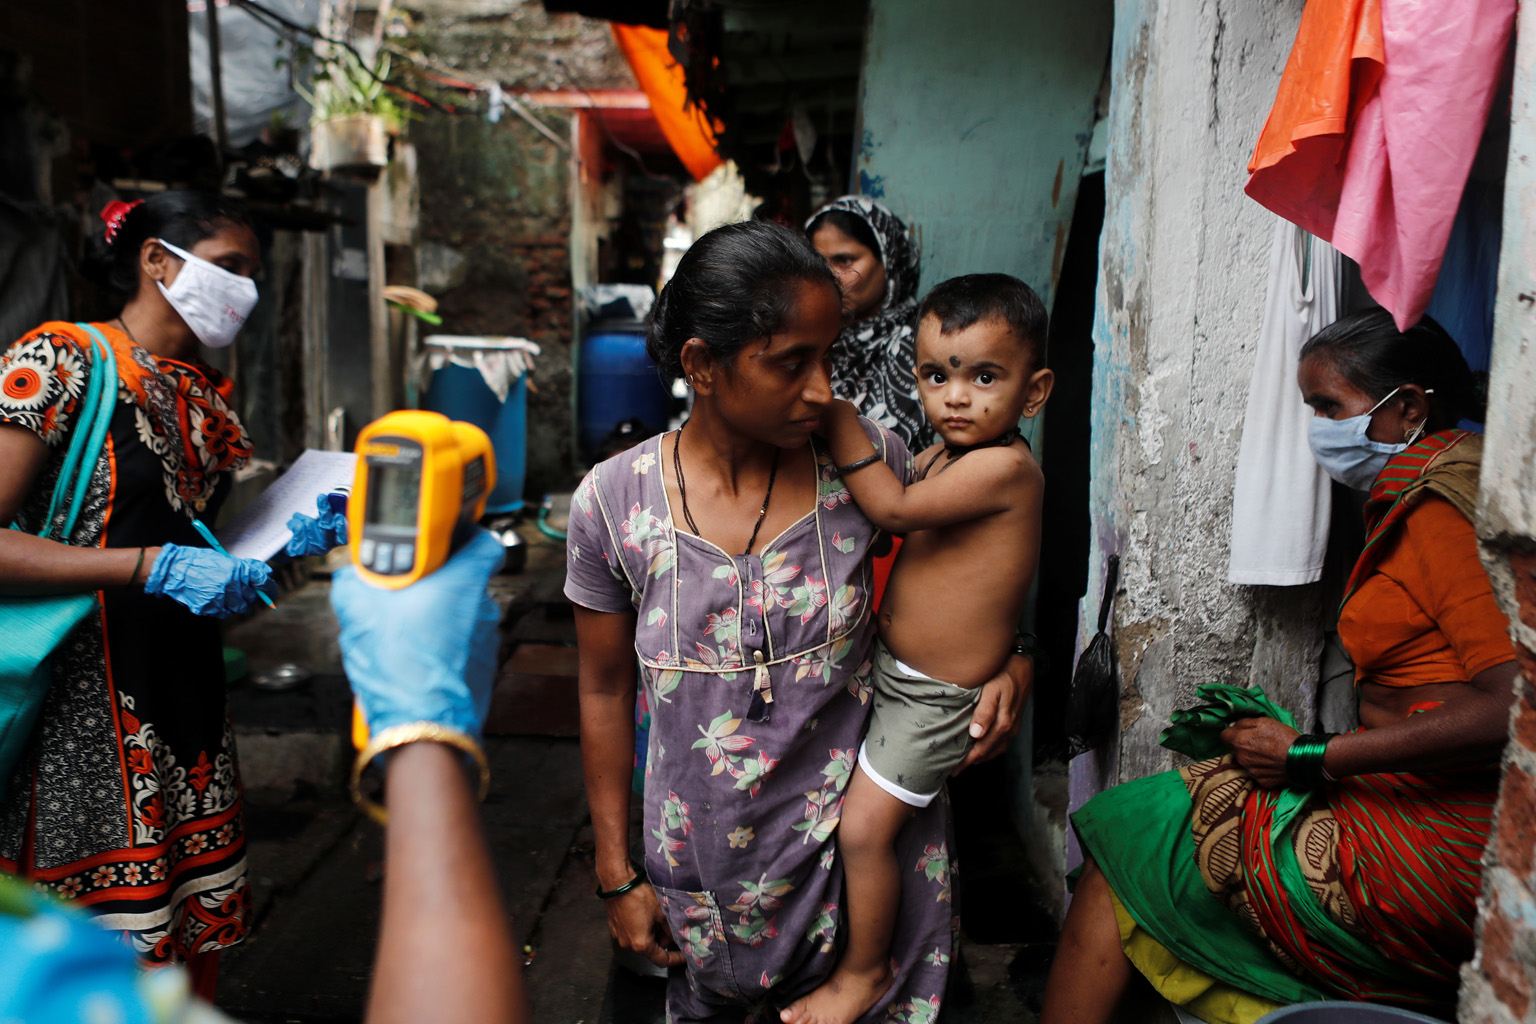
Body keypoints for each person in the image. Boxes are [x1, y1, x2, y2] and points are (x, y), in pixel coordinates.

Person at [566, 220, 1030, 1023]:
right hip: (707, 872)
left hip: (865, 858)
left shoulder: (866, 460)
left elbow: (974, 563)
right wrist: (617, 871)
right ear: (702, 366)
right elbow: (604, 689)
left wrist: (1011, 657)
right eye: (791, 363)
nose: (822, 388)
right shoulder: (614, 502)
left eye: (828, 355)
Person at [1039, 308, 1517, 1024]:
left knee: (1141, 833)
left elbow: (1512, 707)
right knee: (1157, 819)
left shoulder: (1443, 516)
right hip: (1399, 798)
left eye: (1330, 406)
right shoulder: (1417, 495)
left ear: (1410, 407)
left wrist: (1311, 753)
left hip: (1441, 839)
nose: (1317, 428)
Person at [0, 533, 529, 1024]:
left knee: (187, 919)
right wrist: (423, 739)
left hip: (180, 705)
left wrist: (264, 547)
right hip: (85, 710)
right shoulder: (37, 970)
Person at [0, 193, 275, 995]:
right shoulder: (62, 360)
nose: (243, 290)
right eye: (228, 267)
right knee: (88, 950)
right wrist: (145, 566)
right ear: (157, 260)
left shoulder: (204, 394)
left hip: (185, 705)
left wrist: (278, 544)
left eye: (252, 275)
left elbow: (192, 537)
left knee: (193, 930)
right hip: (80, 708)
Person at [783, 274, 1054, 1024]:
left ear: (1033, 393)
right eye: (937, 375)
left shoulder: (1006, 470)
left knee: (864, 831)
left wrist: (841, 424)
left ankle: (864, 975)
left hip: (935, 699)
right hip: (895, 675)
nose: (956, 397)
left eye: (984, 377)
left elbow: (895, 511)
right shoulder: (941, 454)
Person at [806, 196, 928, 450]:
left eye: (844, 260)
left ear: (889, 261)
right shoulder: (809, 338)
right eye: (818, 263)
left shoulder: (920, 344)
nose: (829, 276)